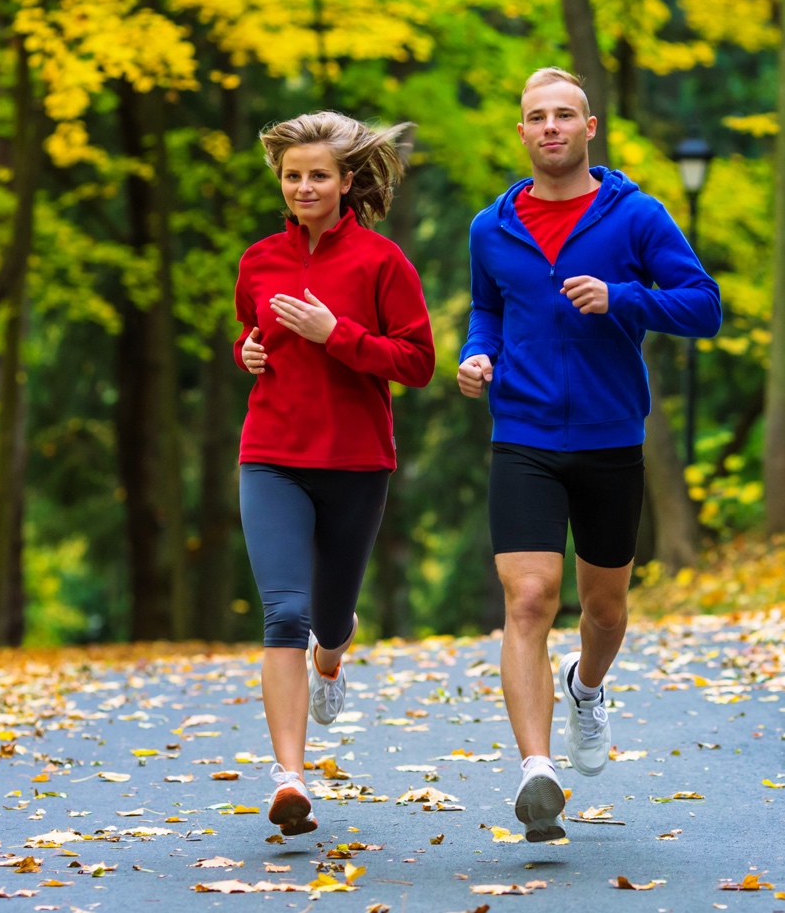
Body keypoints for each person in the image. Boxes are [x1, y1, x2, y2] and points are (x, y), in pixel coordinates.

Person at [457, 68, 721, 842]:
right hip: (524, 435)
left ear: (589, 127)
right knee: (529, 598)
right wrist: (478, 357)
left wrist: (623, 297)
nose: (549, 128)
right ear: (521, 133)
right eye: (535, 117)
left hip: (610, 435)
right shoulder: (491, 227)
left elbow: (702, 305)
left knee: (604, 610)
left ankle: (586, 685)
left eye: (562, 115)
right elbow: (487, 308)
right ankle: (536, 769)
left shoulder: (635, 216)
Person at [235, 111, 435, 837]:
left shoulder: (382, 263)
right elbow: (249, 332)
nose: (304, 186)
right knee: (283, 612)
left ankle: (333, 650)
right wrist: (248, 353)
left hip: (354, 459)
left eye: (318, 174)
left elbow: (416, 362)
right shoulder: (258, 259)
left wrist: (337, 335)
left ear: (347, 181)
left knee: (326, 616)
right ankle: (290, 776)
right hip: (271, 453)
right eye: (292, 176)